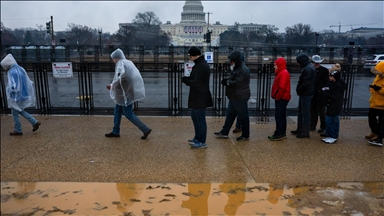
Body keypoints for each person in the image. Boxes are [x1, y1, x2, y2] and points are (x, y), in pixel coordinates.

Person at [105, 48, 152, 139]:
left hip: (124, 94)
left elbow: (122, 78)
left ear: (117, 57)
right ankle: (115, 131)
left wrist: (113, 85)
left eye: (113, 58)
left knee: (128, 113)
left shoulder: (121, 64)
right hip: (127, 92)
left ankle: (145, 129)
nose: (113, 61)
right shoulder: (127, 62)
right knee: (117, 111)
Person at [214, 50, 251, 141]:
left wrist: (227, 82)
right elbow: (234, 78)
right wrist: (227, 80)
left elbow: (238, 83)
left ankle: (245, 135)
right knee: (230, 114)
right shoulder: (238, 67)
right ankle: (224, 132)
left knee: (243, 116)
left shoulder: (243, 69)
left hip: (240, 96)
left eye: (232, 60)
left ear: (236, 60)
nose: (230, 62)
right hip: (235, 96)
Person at [1, 54, 41, 136]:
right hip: (24, 93)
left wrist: (10, 92)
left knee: (15, 112)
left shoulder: (12, 72)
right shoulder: (20, 69)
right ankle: (34, 122)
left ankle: (18, 129)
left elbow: (13, 85)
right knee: (20, 110)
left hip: (16, 96)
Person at [181, 46, 213, 149]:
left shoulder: (202, 66)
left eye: (190, 56)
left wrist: (187, 81)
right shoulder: (199, 64)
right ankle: (198, 137)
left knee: (200, 120)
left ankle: (202, 141)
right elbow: (195, 78)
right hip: (197, 96)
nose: (190, 58)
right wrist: (187, 79)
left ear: (195, 55)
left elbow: (197, 83)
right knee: (195, 117)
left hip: (200, 96)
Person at [291, 53, 316, 138]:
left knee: (304, 113)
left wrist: (299, 89)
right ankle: (301, 129)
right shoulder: (310, 67)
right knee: (303, 112)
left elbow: (306, 83)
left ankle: (304, 131)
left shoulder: (307, 69)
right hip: (307, 92)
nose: (298, 64)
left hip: (306, 93)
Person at [318, 71, 346, 144]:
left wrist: (325, 93)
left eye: (331, 76)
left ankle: (332, 136)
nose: (329, 77)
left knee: (329, 120)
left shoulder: (337, 85)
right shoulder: (338, 83)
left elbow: (335, 96)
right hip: (336, 104)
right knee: (335, 119)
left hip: (334, 104)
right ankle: (333, 134)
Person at [268, 57, 291, 141]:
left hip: (281, 98)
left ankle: (279, 133)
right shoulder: (282, 72)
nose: (274, 67)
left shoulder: (283, 73)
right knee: (281, 115)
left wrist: (277, 97)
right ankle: (281, 132)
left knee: (279, 116)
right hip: (283, 97)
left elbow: (282, 87)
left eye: (275, 65)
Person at [365, 61, 384, 142]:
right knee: (371, 117)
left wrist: (379, 89)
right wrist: (372, 88)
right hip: (374, 101)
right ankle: (374, 131)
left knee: (381, 120)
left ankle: (378, 134)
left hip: (382, 103)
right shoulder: (378, 77)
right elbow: (375, 84)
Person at [310, 55, 329, 133]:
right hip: (314, 93)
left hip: (320, 94)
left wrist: (323, 91)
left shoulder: (323, 70)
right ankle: (313, 125)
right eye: (315, 63)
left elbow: (326, 83)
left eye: (317, 63)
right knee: (314, 111)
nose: (316, 64)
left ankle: (322, 126)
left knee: (321, 112)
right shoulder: (323, 70)